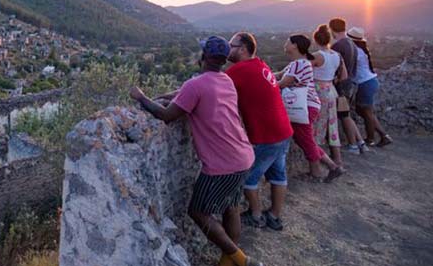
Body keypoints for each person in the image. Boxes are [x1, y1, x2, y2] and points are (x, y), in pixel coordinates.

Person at [129, 36, 261, 266]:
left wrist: (141, 97)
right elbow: (187, 95)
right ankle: (226, 262)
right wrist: (167, 96)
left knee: (198, 212)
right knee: (231, 206)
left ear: (203, 57)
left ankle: (242, 260)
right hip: (244, 154)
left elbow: (167, 116)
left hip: (223, 164)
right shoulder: (225, 80)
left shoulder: (196, 85)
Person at [226, 32, 293, 232]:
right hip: (283, 130)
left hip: (267, 136)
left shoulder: (239, 70)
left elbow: (211, 88)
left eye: (232, 44)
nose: (228, 48)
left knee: (247, 179)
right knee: (278, 175)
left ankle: (256, 216)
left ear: (243, 48)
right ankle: (274, 216)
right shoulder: (261, 65)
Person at [274, 34, 344, 182]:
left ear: (295, 46)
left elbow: (283, 82)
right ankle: (332, 166)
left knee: (306, 139)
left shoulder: (298, 64)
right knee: (304, 138)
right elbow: (279, 75)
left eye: (288, 41)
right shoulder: (301, 62)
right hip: (308, 105)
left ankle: (318, 172)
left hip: (305, 106)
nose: (285, 44)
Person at [347, 27, 393, 147]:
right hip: (370, 81)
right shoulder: (362, 50)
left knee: (367, 112)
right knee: (362, 110)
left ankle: (371, 139)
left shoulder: (355, 52)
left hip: (365, 83)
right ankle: (383, 135)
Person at [328, 18, 368, 153]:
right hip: (351, 83)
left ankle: (353, 145)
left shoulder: (338, 46)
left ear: (332, 29)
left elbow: (334, 68)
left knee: (344, 116)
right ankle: (361, 142)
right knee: (347, 115)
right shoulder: (351, 43)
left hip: (341, 86)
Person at [311, 24, 345, 166]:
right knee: (332, 125)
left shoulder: (317, 56)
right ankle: (338, 159)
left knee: (317, 128)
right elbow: (344, 75)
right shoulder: (336, 55)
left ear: (316, 40)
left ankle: (318, 163)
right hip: (331, 89)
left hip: (319, 91)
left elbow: (301, 71)